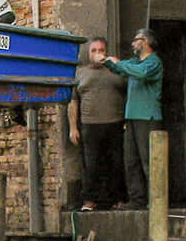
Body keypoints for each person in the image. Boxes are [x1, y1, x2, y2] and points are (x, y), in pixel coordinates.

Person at [102, 27, 164, 208]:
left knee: (149, 161)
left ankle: (157, 201)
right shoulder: (135, 62)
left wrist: (118, 63)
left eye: (136, 39)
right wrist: (107, 62)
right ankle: (137, 199)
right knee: (131, 161)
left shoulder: (154, 62)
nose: (133, 43)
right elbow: (122, 70)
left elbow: (141, 73)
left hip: (148, 117)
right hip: (132, 117)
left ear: (145, 42)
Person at [69, 37, 126, 209]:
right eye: (94, 50)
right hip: (90, 125)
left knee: (116, 163)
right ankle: (89, 201)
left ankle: (118, 200)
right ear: (88, 53)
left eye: (101, 50)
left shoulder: (116, 70)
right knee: (90, 164)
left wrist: (120, 65)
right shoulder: (80, 73)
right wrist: (73, 128)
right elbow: (73, 102)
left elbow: (131, 90)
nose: (98, 54)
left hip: (115, 123)